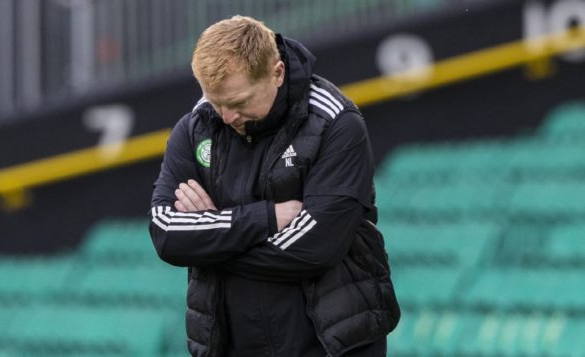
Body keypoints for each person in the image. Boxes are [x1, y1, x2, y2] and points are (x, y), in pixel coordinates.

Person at [149, 15, 400, 357]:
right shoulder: (196, 127)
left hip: (331, 345)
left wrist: (210, 237)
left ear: (277, 73)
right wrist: (263, 218)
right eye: (215, 102)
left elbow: (313, 248)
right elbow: (166, 233)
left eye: (238, 103)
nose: (225, 117)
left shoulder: (335, 122)